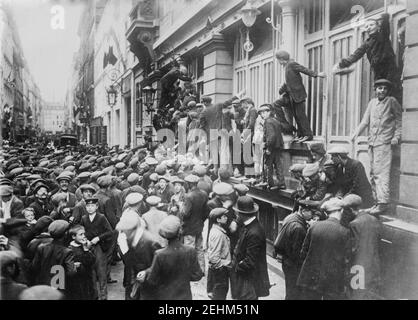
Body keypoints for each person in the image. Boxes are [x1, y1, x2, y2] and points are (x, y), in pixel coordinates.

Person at [350, 79, 402, 215]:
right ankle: (376, 202)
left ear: (388, 91)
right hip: (372, 142)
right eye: (380, 88)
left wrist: (396, 137)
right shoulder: (372, 103)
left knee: (381, 173)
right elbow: (364, 121)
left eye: (385, 88)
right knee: (373, 173)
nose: (382, 91)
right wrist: (355, 133)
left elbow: (399, 121)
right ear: (375, 90)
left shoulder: (392, 102)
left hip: (384, 143)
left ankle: (383, 203)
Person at [335, 13, 401, 100]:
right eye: (366, 26)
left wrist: (385, 17)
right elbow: (355, 55)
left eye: (371, 25)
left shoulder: (382, 36)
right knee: (382, 98)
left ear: (378, 27)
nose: (369, 27)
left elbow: (385, 27)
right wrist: (341, 64)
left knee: (393, 96)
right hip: (378, 74)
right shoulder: (367, 43)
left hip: (390, 72)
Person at [136, 215, 204, 300]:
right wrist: (183, 277)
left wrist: (146, 272)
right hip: (185, 296)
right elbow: (197, 275)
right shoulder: (190, 251)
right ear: (180, 231)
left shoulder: (160, 254)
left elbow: (152, 280)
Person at [297, 198, 351, 300]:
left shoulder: (314, 227)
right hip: (332, 281)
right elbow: (346, 260)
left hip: (311, 277)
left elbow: (303, 252)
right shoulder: (345, 232)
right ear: (341, 211)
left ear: (326, 213)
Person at [276, 50, 326, 142]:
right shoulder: (287, 66)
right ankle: (301, 134)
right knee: (297, 116)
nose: (279, 62)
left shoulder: (291, 64)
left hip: (298, 95)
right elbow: (288, 82)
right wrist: (281, 90)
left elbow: (303, 69)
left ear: (282, 59)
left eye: (278, 60)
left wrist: (317, 74)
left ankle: (308, 134)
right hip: (293, 96)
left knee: (301, 115)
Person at [230, 196, 270, 300]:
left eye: (237, 212)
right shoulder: (250, 224)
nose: (236, 214)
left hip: (248, 280)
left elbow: (250, 261)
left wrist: (236, 267)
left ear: (241, 214)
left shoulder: (254, 232)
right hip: (246, 276)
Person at [116, 209, 161, 300]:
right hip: (134, 282)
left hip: (148, 286)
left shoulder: (151, 242)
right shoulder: (129, 239)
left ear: (132, 229)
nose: (123, 233)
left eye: (125, 231)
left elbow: (159, 265)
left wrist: (146, 272)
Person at [344, 194, 382, 300]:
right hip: (373, 266)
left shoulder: (354, 224)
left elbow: (353, 249)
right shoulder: (375, 220)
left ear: (351, 209)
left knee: (355, 296)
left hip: (357, 269)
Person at [29, 220, 76, 297]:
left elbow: (34, 267)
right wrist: (74, 266)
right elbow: (71, 272)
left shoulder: (41, 247)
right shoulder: (67, 252)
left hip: (42, 285)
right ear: (65, 234)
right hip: (59, 287)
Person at [273, 204, 311, 300]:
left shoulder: (291, 217)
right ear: (303, 211)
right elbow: (297, 253)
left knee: (290, 289)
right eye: (311, 212)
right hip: (293, 265)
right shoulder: (299, 228)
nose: (312, 215)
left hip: (286, 261)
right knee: (294, 293)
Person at [80, 197, 115, 300]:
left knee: (101, 272)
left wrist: (98, 238)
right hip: (88, 246)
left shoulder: (101, 217)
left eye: (92, 206)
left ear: (96, 207)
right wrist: (85, 240)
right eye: (88, 206)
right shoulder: (84, 218)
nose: (90, 208)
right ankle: (94, 296)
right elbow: (81, 231)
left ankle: (104, 297)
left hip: (99, 247)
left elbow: (109, 232)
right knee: (91, 273)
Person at [180, 174, 208, 273]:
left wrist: (181, 207)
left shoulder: (189, 196)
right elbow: (206, 212)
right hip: (199, 226)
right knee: (199, 249)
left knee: (189, 249)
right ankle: (202, 270)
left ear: (189, 184)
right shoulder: (204, 194)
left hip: (189, 228)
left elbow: (185, 213)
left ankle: (190, 271)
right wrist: (200, 221)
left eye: (186, 183)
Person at [259, 104, 286, 190]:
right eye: (261, 113)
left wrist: (268, 147)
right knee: (278, 165)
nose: (262, 115)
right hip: (278, 147)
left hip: (271, 148)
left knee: (268, 166)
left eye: (263, 113)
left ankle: (270, 183)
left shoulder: (268, 122)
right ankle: (281, 183)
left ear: (268, 112)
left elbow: (271, 136)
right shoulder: (275, 121)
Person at [207, 207, 231, 300]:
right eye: (224, 216)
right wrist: (226, 264)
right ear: (218, 220)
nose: (226, 218)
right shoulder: (218, 234)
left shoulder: (217, 231)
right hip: (219, 272)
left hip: (217, 271)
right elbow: (214, 257)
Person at [67, 225, 96, 300]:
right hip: (77, 281)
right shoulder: (70, 249)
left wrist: (86, 248)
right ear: (73, 237)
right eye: (81, 234)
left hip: (88, 278)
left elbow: (92, 261)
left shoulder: (85, 246)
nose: (84, 236)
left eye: (84, 234)